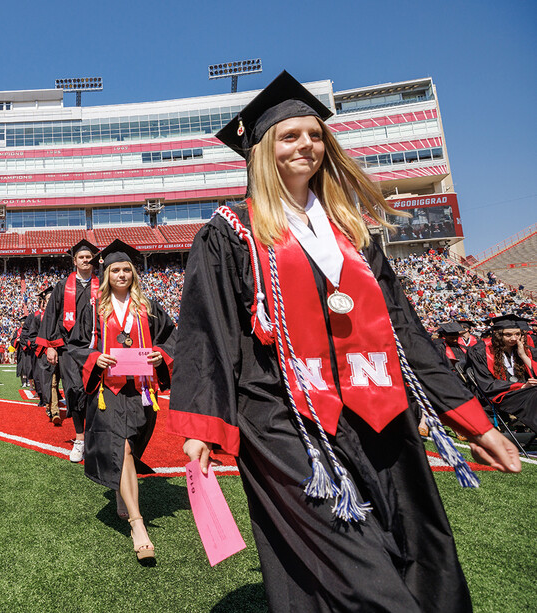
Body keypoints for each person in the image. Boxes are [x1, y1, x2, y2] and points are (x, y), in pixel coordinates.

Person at [167, 71, 520, 612]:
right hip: (285, 420)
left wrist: (471, 419)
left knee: (418, 550)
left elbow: (404, 329)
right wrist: (202, 430)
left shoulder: (351, 231)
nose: (306, 143)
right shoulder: (232, 231)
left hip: (376, 410)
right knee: (352, 571)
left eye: (314, 134)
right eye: (290, 135)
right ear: (261, 150)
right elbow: (206, 332)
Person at [66, 239, 176, 565]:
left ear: (134, 273)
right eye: (116, 269)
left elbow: (172, 339)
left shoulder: (149, 308)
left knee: (130, 447)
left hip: (141, 392)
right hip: (107, 392)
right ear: (107, 273)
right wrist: (93, 360)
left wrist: (162, 357)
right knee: (123, 448)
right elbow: (75, 345)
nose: (122, 274)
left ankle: (120, 491)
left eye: (127, 269)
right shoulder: (94, 310)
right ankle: (138, 526)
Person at [39, 240, 99, 461]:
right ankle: (80, 439)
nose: (85, 260)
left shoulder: (101, 285)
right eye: (81, 257)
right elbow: (51, 316)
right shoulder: (63, 286)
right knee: (73, 391)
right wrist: (50, 346)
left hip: (95, 347)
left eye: (88, 257)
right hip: (68, 348)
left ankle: (94, 438)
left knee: (94, 392)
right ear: (74, 261)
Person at [466, 314, 537, 432]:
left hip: (525, 392)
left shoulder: (523, 349)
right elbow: (487, 384)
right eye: (508, 334)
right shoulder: (481, 351)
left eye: (517, 334)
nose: (514, 338)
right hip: (500, 395)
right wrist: (522, 386)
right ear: (498, 334)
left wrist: (523, 355)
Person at [27, 287, 57, 419]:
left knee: (55, 382)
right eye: (48, 299)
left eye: (52, 299)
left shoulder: (60, 316)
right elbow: (32, 337)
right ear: (44, 302)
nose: (50, 302)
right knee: (49, 383)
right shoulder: (38, 318)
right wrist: (44, 348)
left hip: (59, 353)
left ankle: (53, 408)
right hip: (44, 354)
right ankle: (52, 408)